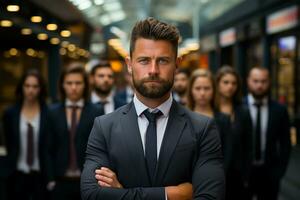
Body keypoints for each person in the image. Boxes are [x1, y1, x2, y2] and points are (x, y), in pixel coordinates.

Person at [81, 17, 225, 200]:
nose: (153, 70)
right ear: (129, 64)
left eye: (163, 61)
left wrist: (120, 192)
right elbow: (91, 195)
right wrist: (171, 194)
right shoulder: (104, 127)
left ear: (177, 64)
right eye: (144, 60)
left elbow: (211, 197)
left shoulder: (202, 129)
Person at [44, 65, 104, 200]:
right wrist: (50, 180)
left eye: (78, 83)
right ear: (62, 85)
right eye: (69, 83)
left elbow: (101, 149)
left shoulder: (96, 111)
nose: (73, 87)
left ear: (85, 85)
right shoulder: (52, 112)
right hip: (59, 181)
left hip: (88, 181)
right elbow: (47, 148)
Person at [244, 66, 291, 200]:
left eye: (263, 81)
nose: (259, 85)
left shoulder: (280, 110)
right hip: (244, 173)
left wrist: (279, 172)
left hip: (269, 173)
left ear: (269, 82)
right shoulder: (239, 107)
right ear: (248, 81)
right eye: (256, 81)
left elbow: (285, 144)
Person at [2, 69, 48, 200]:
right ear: (21, 87)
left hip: (41, 175)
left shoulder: (48, 113)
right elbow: (7, 143)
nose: (31, 90)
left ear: (41, 89)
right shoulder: (11, 113)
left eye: (35, 86)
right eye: (27, 86)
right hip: (16, 173)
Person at [215, 66, 252, 200]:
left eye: (234, 83)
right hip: (216, 174)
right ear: (217, 83)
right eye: (226, 82)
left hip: (238, 174)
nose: (230, 86)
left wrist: (247, 175)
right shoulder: (212, 109)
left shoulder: (243, 111)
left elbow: (248, 145)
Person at [186, 69, 232, 171]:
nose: (202, 93)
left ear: (214, 90)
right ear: (191, 91)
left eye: (207, 88)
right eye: (198, 88)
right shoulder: (182, 118)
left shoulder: (224, 120)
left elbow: (228, 154)